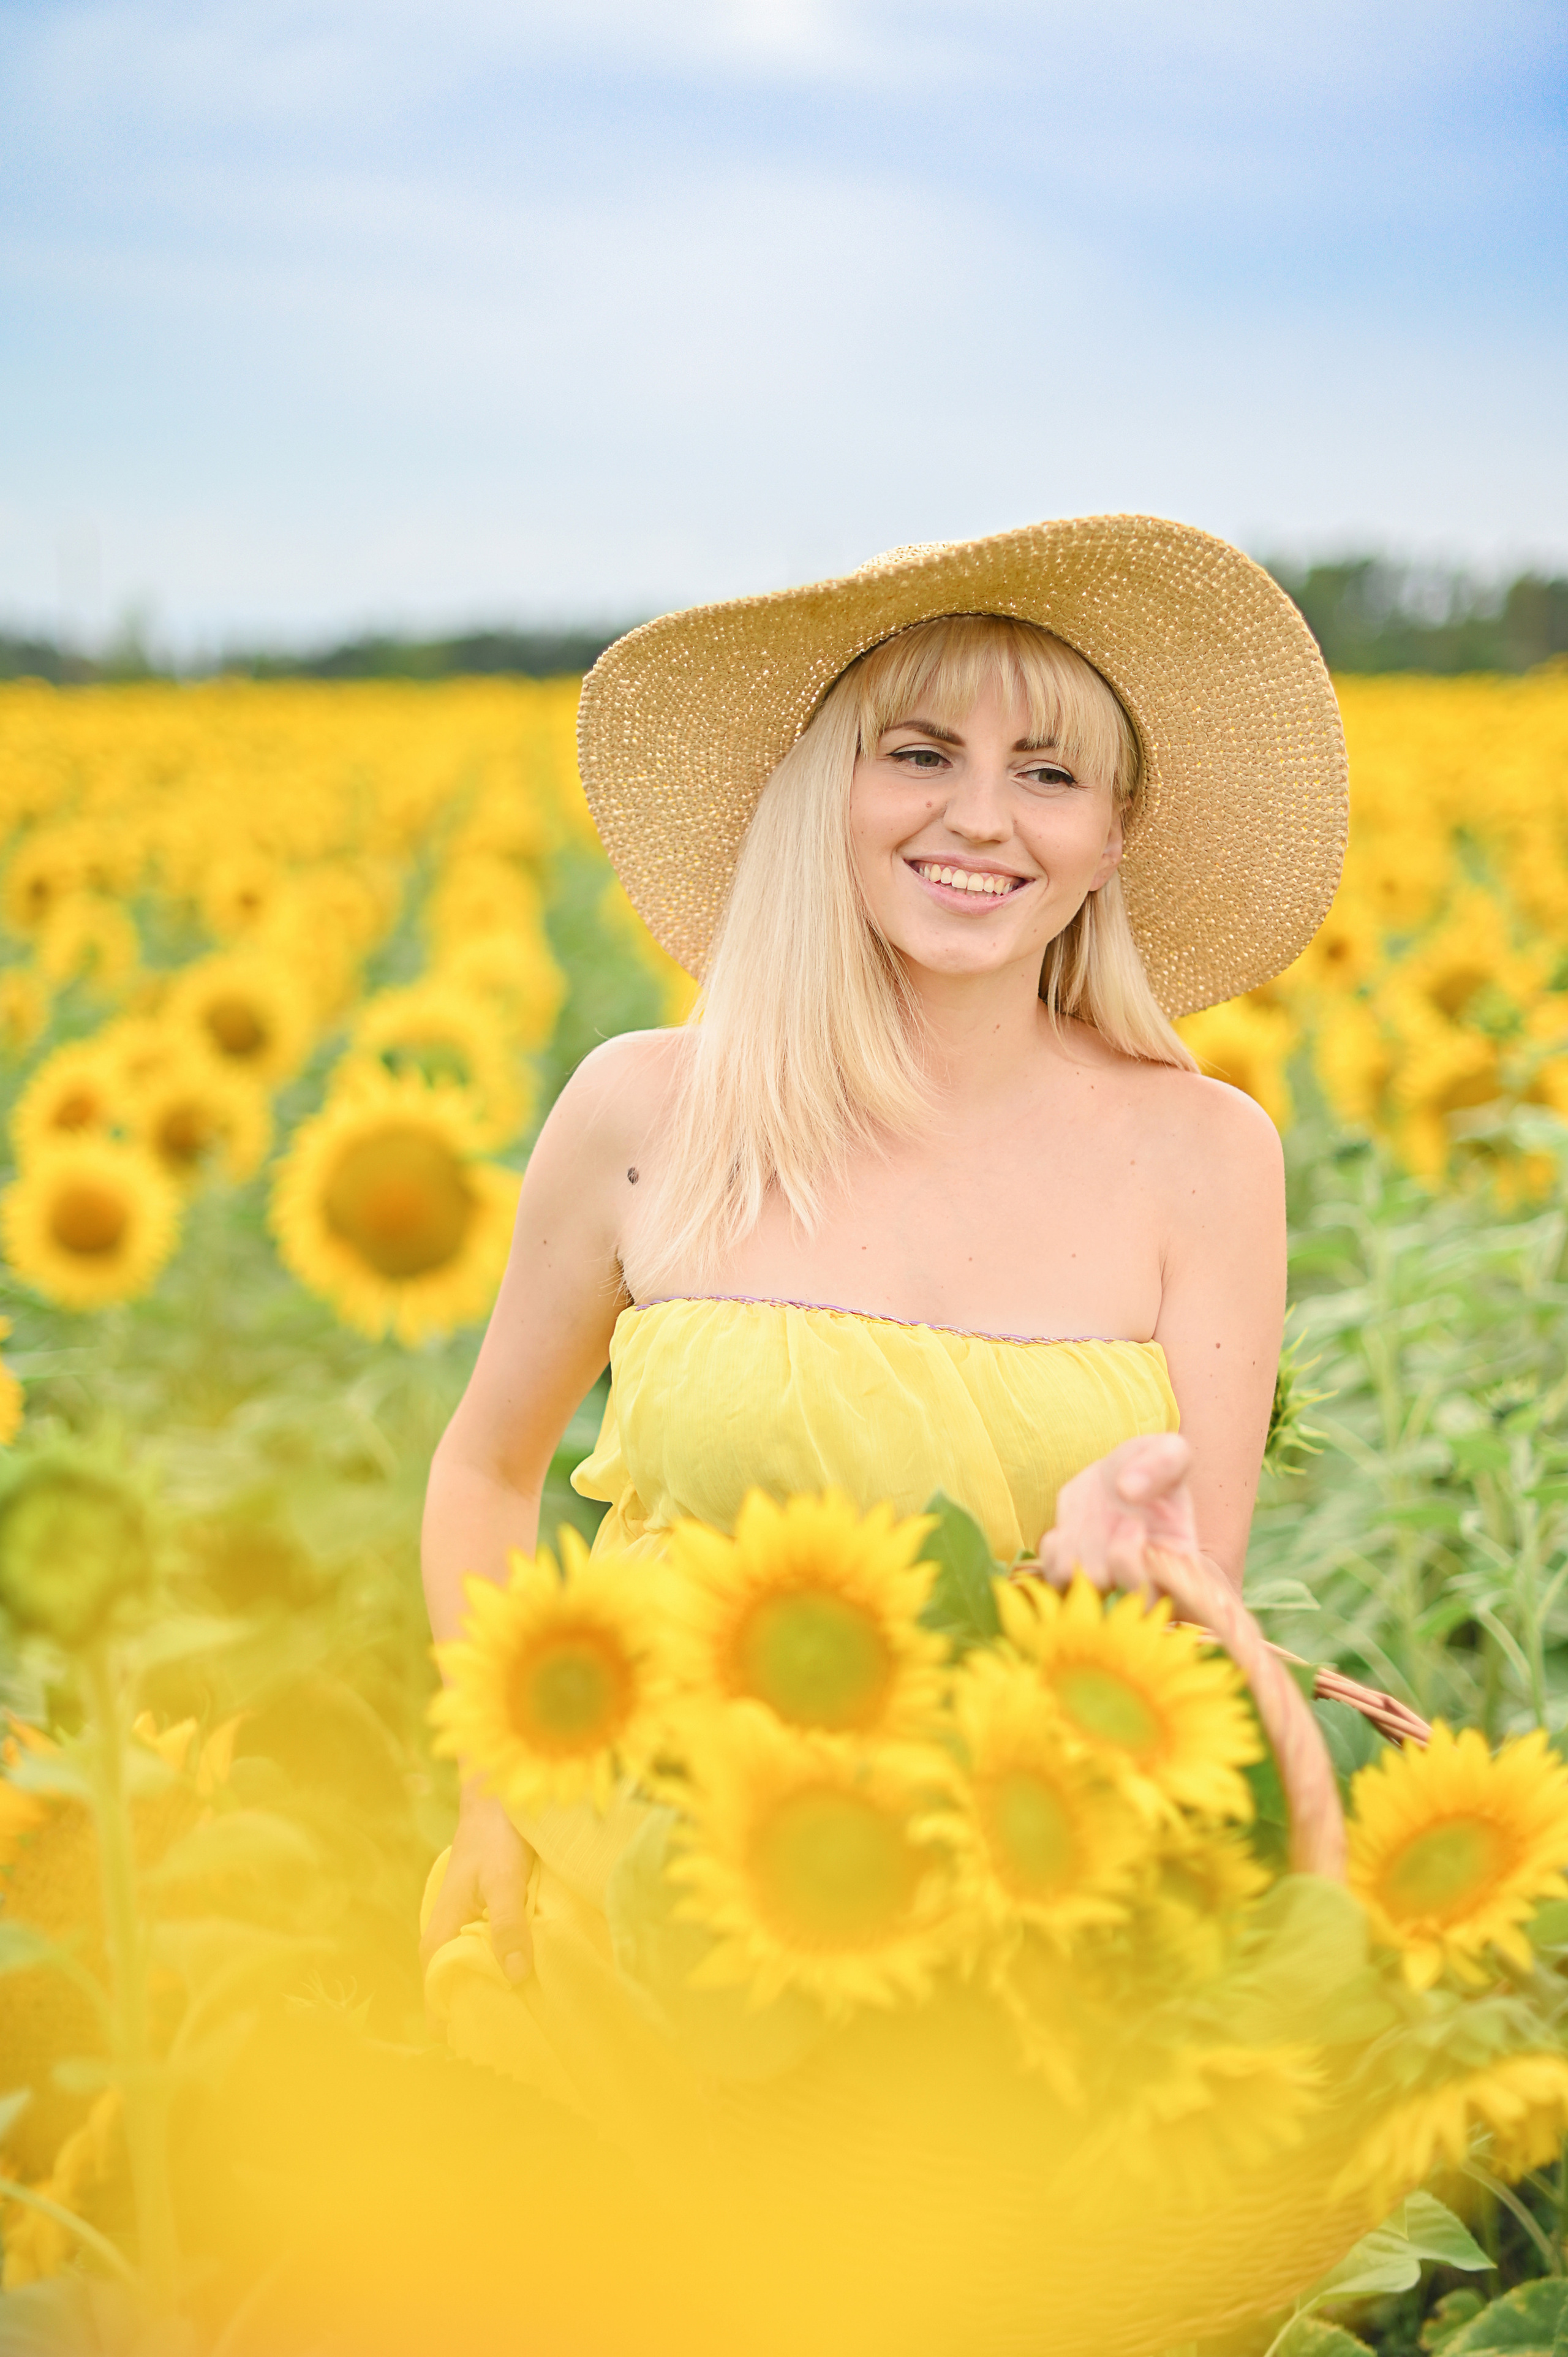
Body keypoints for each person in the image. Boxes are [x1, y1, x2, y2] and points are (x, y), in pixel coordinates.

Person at [418, 513, 1347, 1998]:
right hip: (629, 1911)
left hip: (1005, 1937)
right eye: (918, 755)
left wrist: (1115, 1562)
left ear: (1111, 835)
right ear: (821, 794)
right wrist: (492, 1782)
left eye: (1044, 775)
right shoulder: (648, 1108)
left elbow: (1188, 1606)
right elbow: (482, 1471)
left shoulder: (1206, 1155)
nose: (980, 817)